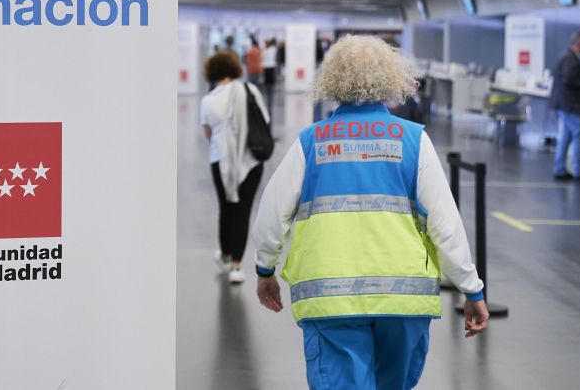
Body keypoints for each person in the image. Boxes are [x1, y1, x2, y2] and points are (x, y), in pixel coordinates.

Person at [250, 36, 488, 390]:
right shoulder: (413, 140)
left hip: (332, 299)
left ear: (331, 78)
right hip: (403, 300)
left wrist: (265, 268)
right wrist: (471, 290)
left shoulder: (311, 142)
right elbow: (445, 223)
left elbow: (272, 214)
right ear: (392, 77)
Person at [201, 50, 270, 284]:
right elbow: (265, 121)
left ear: (211, 72)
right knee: (243, 210)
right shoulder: (250, 90)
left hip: (221, 161)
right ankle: (236, 267)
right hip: (250, 160)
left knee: (226, 208)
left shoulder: (208, 100)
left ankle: (225, 255)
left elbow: (209, 133)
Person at [548, 31, 580, 181]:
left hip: (565, 103)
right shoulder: (571, 60)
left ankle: (560, 169)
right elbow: (569, 79)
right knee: (578, 134)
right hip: (570, 104)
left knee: (566, 136)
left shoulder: (566, 57)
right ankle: (578, 170)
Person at [262, 38, 278, 114]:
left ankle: (268, 86)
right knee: (270, 81)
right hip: (270, 66)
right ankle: (270, 87)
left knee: (267, 81)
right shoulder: (271, 49)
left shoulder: (266, 50)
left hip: (266, 66)